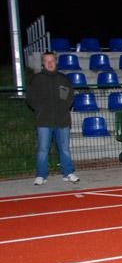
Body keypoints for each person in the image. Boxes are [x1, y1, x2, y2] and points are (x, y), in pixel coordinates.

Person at [26, 51, 79, 185]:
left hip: (62, 120)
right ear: (43, 63)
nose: (50, 63)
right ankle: (41, 175)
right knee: (43, 149)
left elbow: (68, 97)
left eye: (52, 61)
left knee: (64, 149)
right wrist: (40, 109)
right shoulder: (36, 79)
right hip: (43, 121)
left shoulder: (63, 79)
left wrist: (63, 109)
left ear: (56, 62)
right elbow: (30, 98)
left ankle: (68, 173)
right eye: (47, 61)